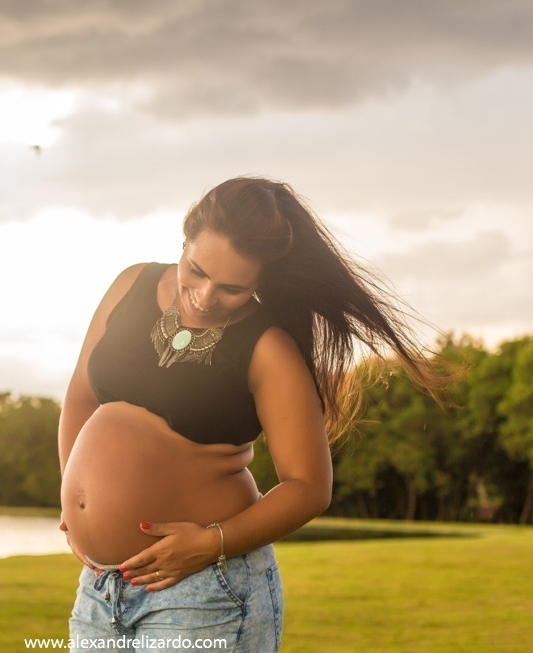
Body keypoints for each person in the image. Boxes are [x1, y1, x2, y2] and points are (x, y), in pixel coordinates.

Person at [58, 176, 445, 652]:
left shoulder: (268, 347)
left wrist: (209, 543)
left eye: (232, 288)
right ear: (185, 241)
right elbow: (80, 396)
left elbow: (308, 487)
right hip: (102, 588)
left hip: (201, 592)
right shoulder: (128, 285)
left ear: (262, 282)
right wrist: (72, 506)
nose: (204, 296)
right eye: (196, 270)